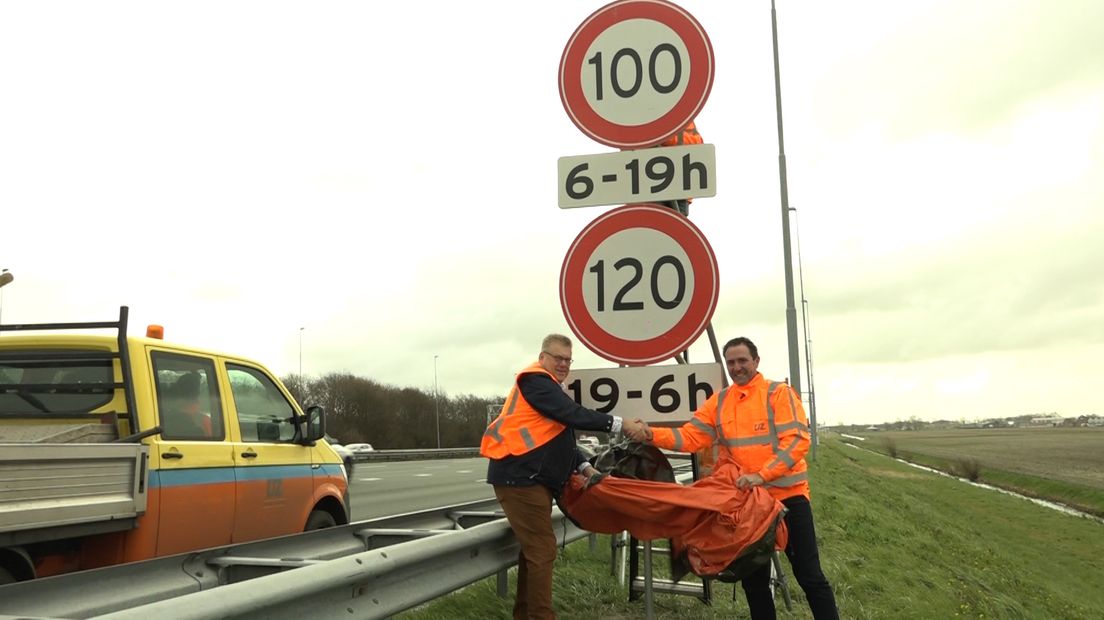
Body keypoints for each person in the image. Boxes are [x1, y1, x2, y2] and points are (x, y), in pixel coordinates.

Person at [625, 336, 839, 619]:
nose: (737, 367)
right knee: (754, 582)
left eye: (742, 361)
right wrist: (651, 433)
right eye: (731, 363)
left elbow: (797, 441)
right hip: (747, 507)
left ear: (756, 362)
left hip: (789, 500)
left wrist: (760, 476)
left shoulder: (778, 393)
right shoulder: (720, 401)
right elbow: (690, 437)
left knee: (809, 576)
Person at [481, 333, 646, 620]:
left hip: (530, 478)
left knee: (534, 552)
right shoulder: (535, 381)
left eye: (568, 359)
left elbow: (560, 437)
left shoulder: (548, 388)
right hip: (519, 477)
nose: (563, 364)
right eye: (558, 358)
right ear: (542, 356)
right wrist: (620, 424)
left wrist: (584, 467)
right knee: (542, 549)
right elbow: (572, 414)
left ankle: (526, 614)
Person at [659, 120, 703, 217]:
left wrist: (661, 137)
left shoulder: (681, 117)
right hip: (642, 185)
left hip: (677, 189)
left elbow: (696, 142)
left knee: (673, 228)